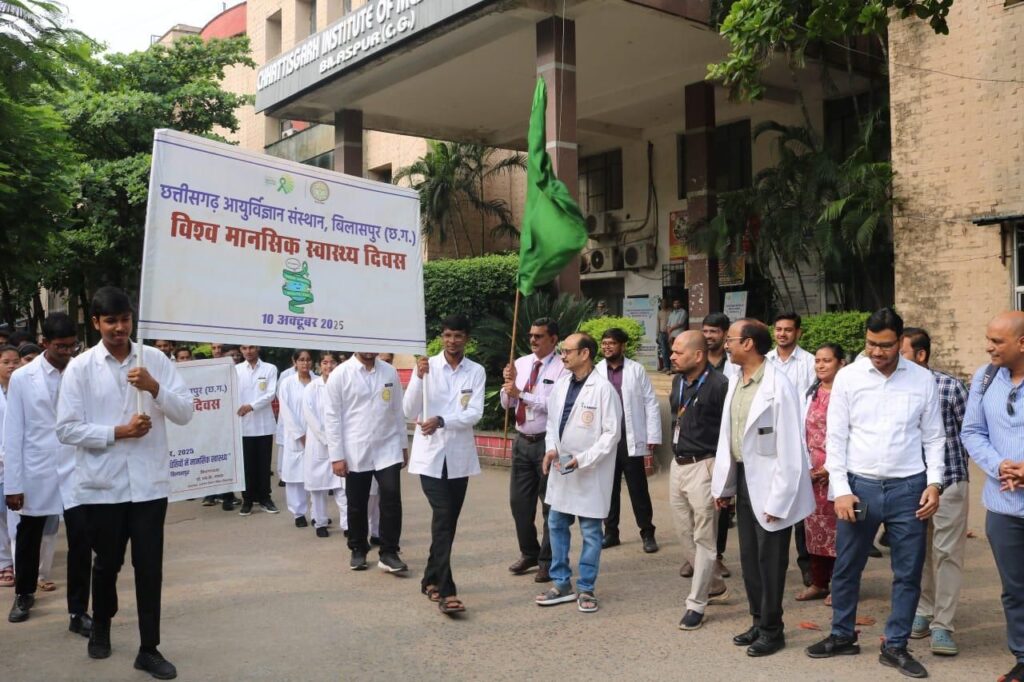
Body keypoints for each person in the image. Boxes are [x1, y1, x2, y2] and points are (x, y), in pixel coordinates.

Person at [55, 286, 193, 679]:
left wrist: (154, 388)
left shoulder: (154, 360)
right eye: (111, 321)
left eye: (125, 319)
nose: (119, 328)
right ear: (96, 323)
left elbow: (185, 412)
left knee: (149, 568)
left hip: (149, 486)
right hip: (104, 487)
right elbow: (66, 429)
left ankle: (149, 649)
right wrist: (119, 432)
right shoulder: (81, 368)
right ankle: (101, 624)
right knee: (107, 564)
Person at [806, 308, 945, 679]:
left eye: (885, 345)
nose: (877, 352)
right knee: (847, 566)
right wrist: (841, 490)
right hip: (859, 489)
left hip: (909, 490)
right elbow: (837, 437)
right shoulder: (850, 377)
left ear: (900, 342)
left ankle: (895, 645)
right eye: (871, 344)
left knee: (908, 572)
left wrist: (934, 484)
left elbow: (934, 437)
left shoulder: (922, 379)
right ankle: (842, 635)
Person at [711, 318, 814, 657]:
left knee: (770, 562)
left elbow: (791, 447)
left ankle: (773, 630)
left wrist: (779, 499)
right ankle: (758, 620)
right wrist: (725, 487)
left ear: (748, 343)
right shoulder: (736, 380)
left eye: (731, 339)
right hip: (744, 478)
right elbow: (729, 438)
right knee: (750, 560)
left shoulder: (777, 385)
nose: (726, 344)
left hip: (772, 484)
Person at [5, 314, 94, 637]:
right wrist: (13, 484)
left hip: (77, 468)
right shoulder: (22, 377)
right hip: (37, 468)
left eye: (72, 346)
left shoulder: (82, 372)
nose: (67, 352)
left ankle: (78, 611)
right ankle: (24, 594)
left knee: (81, 539)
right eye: (61, 347)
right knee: (29, 535)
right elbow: (13, 432)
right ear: (45, 343)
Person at [403, 314, 485, 615]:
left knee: (447, 523)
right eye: (448, 335)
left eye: (458, 336)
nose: (452, 341)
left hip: (459, 458)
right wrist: (418, 377)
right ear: (441, 337)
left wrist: (442, 420)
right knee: (443, 514)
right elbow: (408, 410)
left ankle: (430, 579)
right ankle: (447, 591)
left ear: (466, 339)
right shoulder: (427, 367)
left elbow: (474, 413)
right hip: (430, 458)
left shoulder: (476, 371)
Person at [534, 332, 621, 613]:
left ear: (585, 353)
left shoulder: (603, 389)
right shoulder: (561, 384)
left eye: (567, 351)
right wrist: (551, 449)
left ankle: (586, 587)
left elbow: (611, 435)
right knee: (556, 524)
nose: (562, 356)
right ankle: (561, 584)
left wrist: (583, 460)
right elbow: (551, 424)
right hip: (562, 469)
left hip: (589, 471)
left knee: (591, 532)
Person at [960, 311, 1024, 682]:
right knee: (1015, 590)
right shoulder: (985, 378)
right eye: (988, 339)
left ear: (1022, 343)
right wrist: (1000, 466)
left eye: (997, 341)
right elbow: (972, 432)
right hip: (1003, 506)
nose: (989, 347)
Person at [900, 328, 970, 655]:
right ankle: (924, 610)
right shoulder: (894, 389)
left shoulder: (950, 387)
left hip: (950, 480)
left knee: (946, 553)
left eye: (901, 352)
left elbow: (971, 433)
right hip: (910, 484)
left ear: (921, 355)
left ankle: (943, 625)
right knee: (919, 552)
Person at [669, 331, 730, 630]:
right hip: (678, 465)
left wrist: (724, 478)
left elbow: (728, 433)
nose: (672, 356)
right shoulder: (677, 381)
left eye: (678, 352)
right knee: (684, 534)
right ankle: (715, 585)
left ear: (698, 355)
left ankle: (696, 604)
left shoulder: (719, 385)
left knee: (704, 538)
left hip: (705, 466)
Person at [326, 351, 408, 571]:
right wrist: (336, 456)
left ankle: (389, 552)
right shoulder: (340, 374)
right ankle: (358, 548)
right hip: (355, 448)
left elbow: (397, 410)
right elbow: (332, 416)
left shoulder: (389, 372)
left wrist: (403, 445)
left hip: (387, 446)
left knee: (391, 499)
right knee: (357, 503)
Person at [501, 317, 566, 583]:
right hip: (522, 441)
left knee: (550, 504)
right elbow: (507, 403)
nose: (533, 340)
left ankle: (547, 561)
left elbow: (556, 404)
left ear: (553, 339)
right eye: (531, 335)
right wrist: (508, 386)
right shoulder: (521, 363)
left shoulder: (562, 367)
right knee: (519, 503)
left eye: (539, 336)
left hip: (547, 443)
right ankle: (529, 552)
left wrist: (521, 393)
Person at [595, 328, 661, 552]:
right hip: (606, 440)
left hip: (629, 438)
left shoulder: (636, 370)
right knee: (608, 488)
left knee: (638, 489)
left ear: (622, 346)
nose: (607, 347)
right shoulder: (596, 371)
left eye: (612, 343)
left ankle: (647, 533)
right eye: (604, 343)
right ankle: (610, 532)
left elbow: (650, 402)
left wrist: (653, 434)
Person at [766, 312, 816, 586]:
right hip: (769, 442)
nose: (782, 334)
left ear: (798, 332)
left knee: (800, 508)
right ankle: (774, 566)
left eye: (788, 329)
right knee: (773, 502)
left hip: (800, 440)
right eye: (778, 329)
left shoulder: (809, 362)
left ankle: (807, 565)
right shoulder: (766, 362)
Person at [795, 343, 846, 604]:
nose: (821, 365)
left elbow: (852, 435)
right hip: (813, 475)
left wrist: (831, 467)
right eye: (817, 361)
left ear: (841, 363)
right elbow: (803, 434)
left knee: (840, 532)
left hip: (839, 473)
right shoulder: (811, 393)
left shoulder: (846, 394)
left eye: (827, 360)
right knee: (814, 530)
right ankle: (819, 583)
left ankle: (841, 586)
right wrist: (808, 467)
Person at [701, 311, 736, 579]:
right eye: (705, 331)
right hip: (700, 441)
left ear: (725, 334)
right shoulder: (696, 359)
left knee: (721, 504)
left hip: (725, 442)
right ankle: (696, 556)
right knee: (696, 505)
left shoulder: (734, 363)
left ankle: (718, 556)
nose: (708, 336)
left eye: (713, 331)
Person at [302, 352, 346, 538]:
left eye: (332, 362)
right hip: (319, 444)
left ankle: (347, 524)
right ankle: (320, 521)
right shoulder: (312, 388)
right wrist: (328, 439)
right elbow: (310, 416)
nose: (329, 366)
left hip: (341, 443)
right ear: (319, 365)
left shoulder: (344, 385)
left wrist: (338, 440)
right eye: (325, 363)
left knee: (342, 487)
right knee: (318, 488)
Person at [236, 344, 279, 516]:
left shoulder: (270, 369)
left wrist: (251, 406)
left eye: (251, 347)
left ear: (258, 348)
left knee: (263, 465)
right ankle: (247, 500)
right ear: (241, 350)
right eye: (244, 348)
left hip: (263, 425)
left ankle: (265, 498)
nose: (248, 351)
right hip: (243, 425)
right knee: (247, 466)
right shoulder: (236, 370)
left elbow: (270, 394)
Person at [277, 350, 314, 527]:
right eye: (301, 360)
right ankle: (298, 513)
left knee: (316, 475)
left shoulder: (318, 382)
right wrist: (300, 435)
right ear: (295, 362)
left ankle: (318, 513)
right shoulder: (287, 383)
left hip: (316, 436)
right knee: (295, 477)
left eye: (308, 360)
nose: (305, 363)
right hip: (294, 436)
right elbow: (286, 412)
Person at [0, 344, 20, 589]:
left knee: (17, 517)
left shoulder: (24, 388)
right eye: (6, 362)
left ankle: (21, 564)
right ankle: (4, 564)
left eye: (15, 361)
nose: (12, 366)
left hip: (19, 461)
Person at [657, 298, 672, 373]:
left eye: (665, 303)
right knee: (664, 351)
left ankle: (672, 367)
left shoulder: (671, 312)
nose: (663, 304)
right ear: (660, 304)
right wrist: (657, 335)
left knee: (671, 350)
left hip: (670, 333)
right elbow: (658, 324)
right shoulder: (659, 313)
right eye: (662, 303)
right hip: (662, 334)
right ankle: (666, 367)